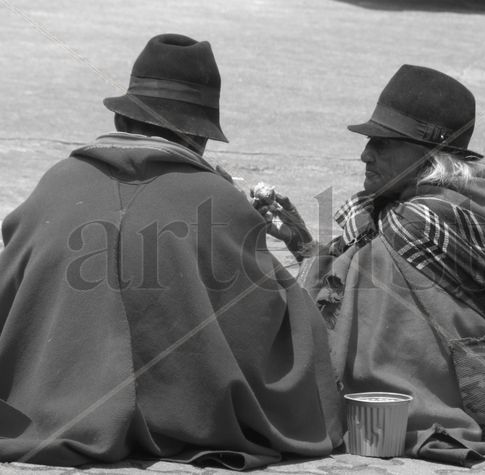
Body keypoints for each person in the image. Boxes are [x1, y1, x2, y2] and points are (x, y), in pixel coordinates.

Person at [0, 34, 342, 469]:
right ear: (200, 138)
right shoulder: (218, 201)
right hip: (187, 423)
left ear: (123, 121)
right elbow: (274, 327)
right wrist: (308, 254)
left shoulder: (56, 183)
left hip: (39, 413)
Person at [262, 65, 485, 466]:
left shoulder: (415, 222)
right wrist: (301, 241)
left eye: (383, 143)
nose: (366, 154)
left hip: (455, 412)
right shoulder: (464, 205)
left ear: (430, 154)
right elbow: (352, 277)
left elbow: (340, 301)